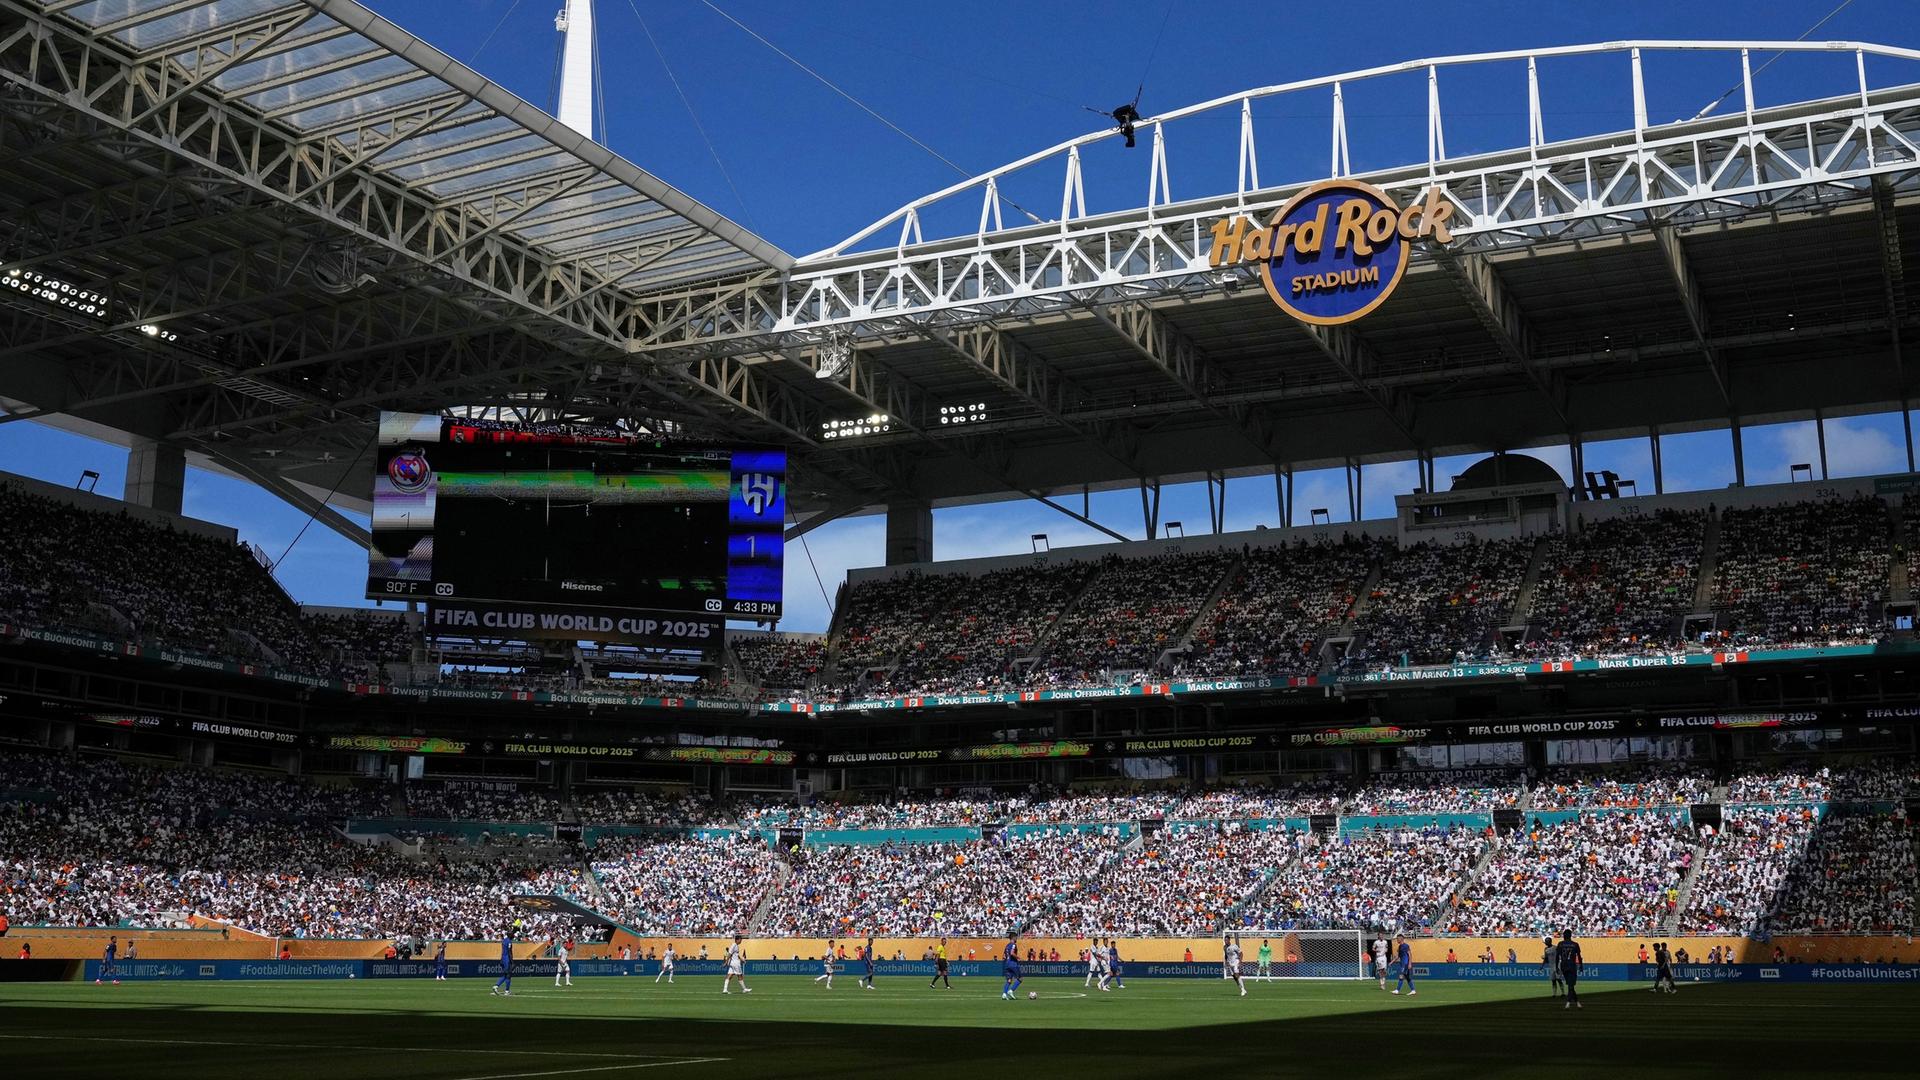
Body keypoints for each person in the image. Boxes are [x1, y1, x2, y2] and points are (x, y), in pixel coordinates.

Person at [1556, 930, 1584, 1010]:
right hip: (1572, 966)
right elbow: (1579, 956)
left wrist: (1556, 967)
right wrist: (1581, 966)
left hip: (1564, 966)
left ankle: (1577, 1003)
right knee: (1571, 985)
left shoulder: (1560, 944)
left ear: (1564, 935)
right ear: (1570, 935)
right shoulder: (1575, 944)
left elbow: (1557, 957)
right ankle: (1568, 1003)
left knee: (1570, 985)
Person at [1001, 934, 1024, 1000]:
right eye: (1016, 937)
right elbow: (1012, 953)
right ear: (1013, 938)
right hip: (1013, 964)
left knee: (1009, 980)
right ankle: (1011, 991)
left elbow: (1003, 956)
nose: (1017, 939)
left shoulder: (1007, 946)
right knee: (1020, 978)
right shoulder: (1013, 945)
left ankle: (1004, 994)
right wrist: (1018, 957)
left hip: (1007, 964)